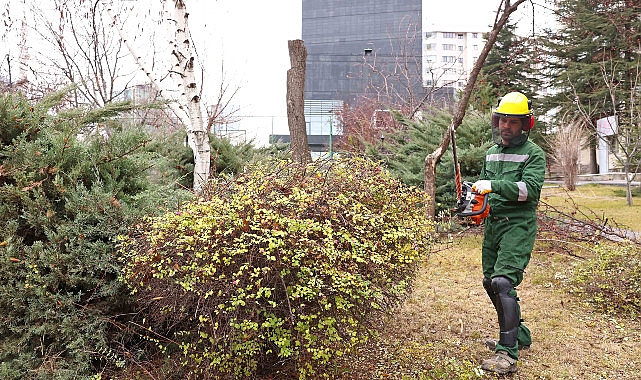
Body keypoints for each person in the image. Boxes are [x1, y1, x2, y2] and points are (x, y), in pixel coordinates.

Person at [471, 91, 546, 374]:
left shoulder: (534, 154)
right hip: (494, 225)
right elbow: (483, 190)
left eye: (513, 122)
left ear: (526, 124)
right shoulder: (491, 153)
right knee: (490, 281)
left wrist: (494, 186)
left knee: (503, 281)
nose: (506, 126)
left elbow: (530, 190)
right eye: (503, 119)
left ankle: (508, 353)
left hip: (518, 224)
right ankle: (520, 334)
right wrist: (475, 208)